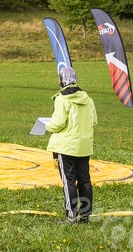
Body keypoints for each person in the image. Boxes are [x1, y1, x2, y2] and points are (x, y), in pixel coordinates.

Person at [46, 67, 97, 224]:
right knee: (84, 180)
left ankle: (71, 215)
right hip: (84, 146)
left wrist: (47, 126)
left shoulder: (62, 99)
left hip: (66, 146)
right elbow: (94, 120)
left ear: (61, 80)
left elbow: (58, 123)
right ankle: (85, 214)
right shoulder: (88, 99)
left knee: (69, 180)